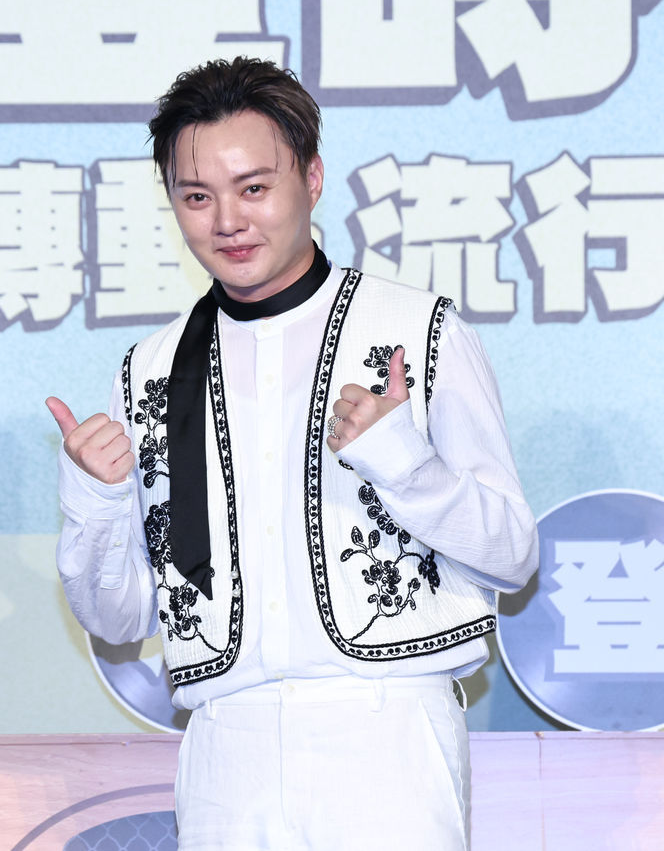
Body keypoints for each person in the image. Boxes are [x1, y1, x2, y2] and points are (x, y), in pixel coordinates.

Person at [46, 56, 537, 851]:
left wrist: (403, 461)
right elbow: (118, 618)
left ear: (311, 177)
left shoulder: (418, 333)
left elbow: (513, 553)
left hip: (385, 730)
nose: (226, 221)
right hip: (223, 746)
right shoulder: (149, 371)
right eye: (196, 196)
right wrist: (96, 500)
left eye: (253, 187)